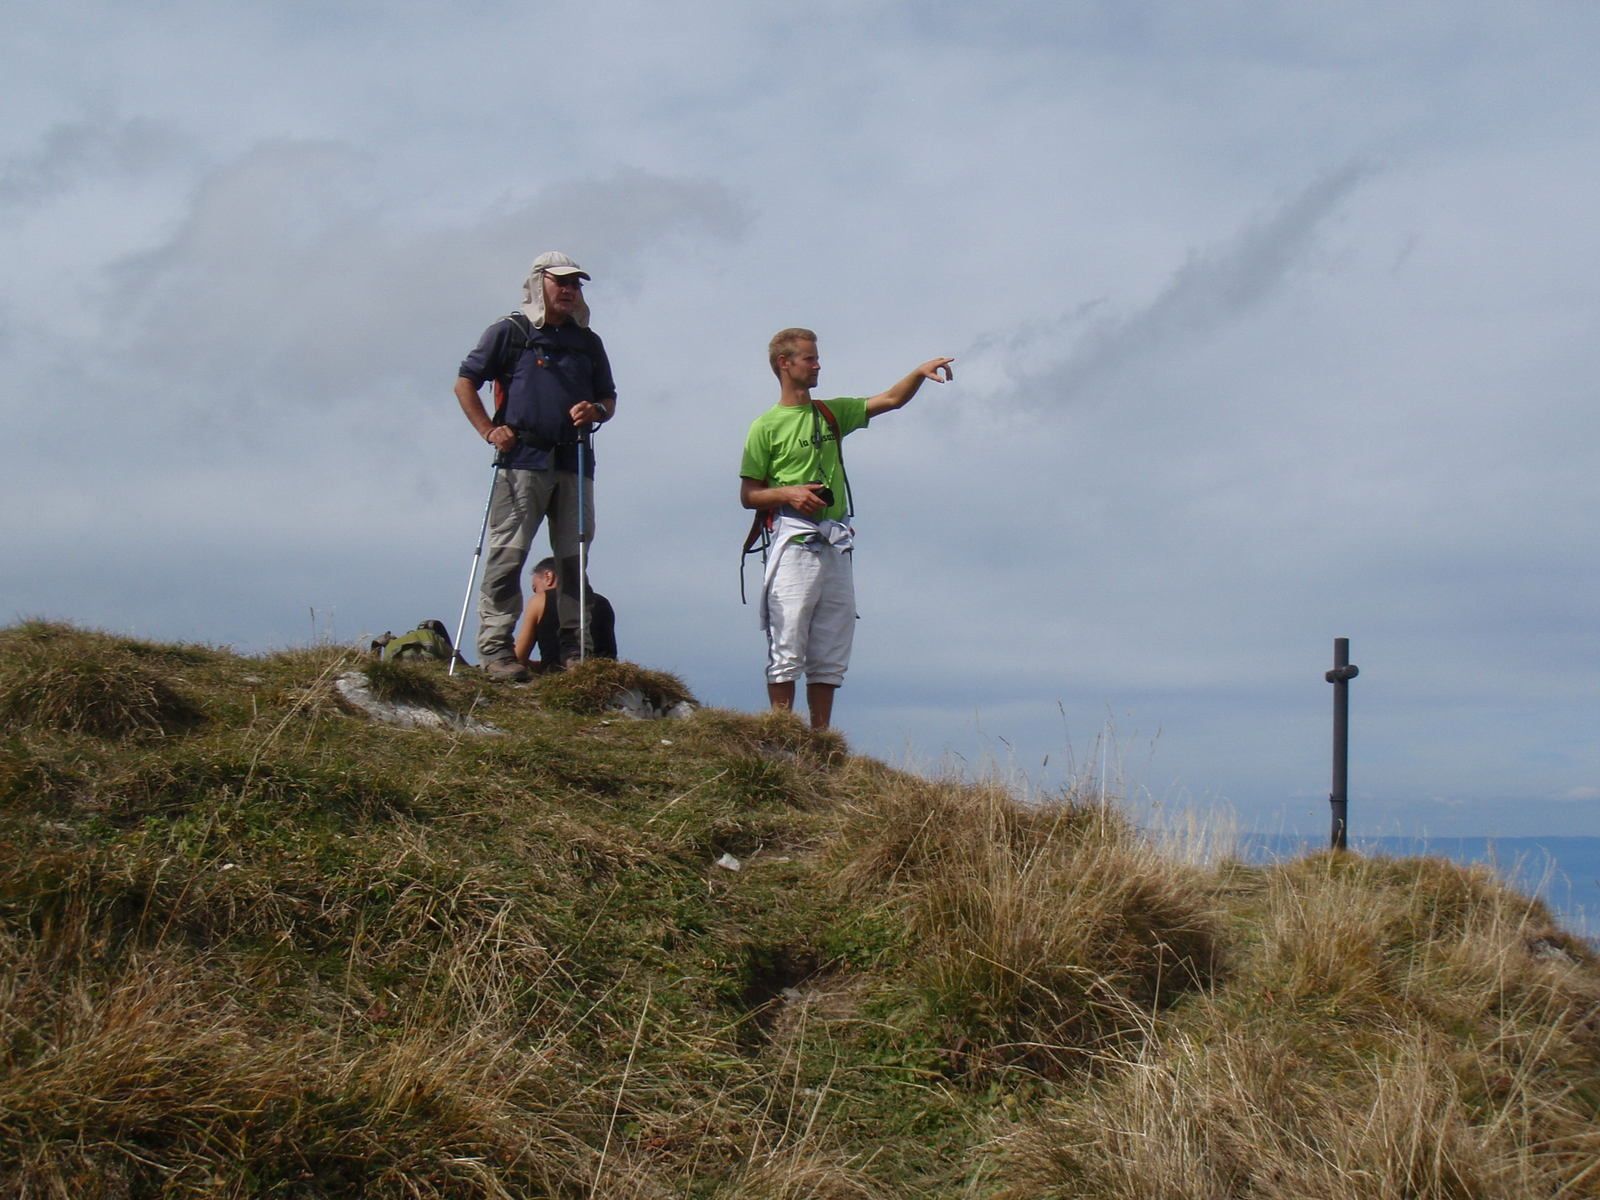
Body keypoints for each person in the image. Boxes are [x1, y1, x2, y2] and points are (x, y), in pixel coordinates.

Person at [739, 328, 953, 729]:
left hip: (835, 540)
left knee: (832, 644)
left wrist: (919, 373)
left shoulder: (831, 412)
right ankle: (783, 733)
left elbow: (890, 399)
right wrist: (791, 493)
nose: (818, 364)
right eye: (809, 358)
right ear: (784, 364)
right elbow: (749, 495)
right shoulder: (764, 427)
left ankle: (820, 741)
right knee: (787, 640)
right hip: (794, 539)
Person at [455, 251, 616, 680]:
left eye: (576, 284)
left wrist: (596, 410)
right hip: (522, 458)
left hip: (575, 459)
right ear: (537, 283)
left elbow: (609, 399)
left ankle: (574, 653)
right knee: (508, 556)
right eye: (560, 281)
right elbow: (465, 382)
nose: (569, 290)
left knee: (572, 560)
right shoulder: (510, 332)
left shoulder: (589, 342)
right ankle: (496, 651)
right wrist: (490, 430)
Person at [514, 557, 617, 669]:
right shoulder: (602, 602)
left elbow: (519, 658)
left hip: (560, 677)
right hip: (602, 677)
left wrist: (536, 665)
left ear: (549, 576)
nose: (535, 592)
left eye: (535, 587)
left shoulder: (540, 600)